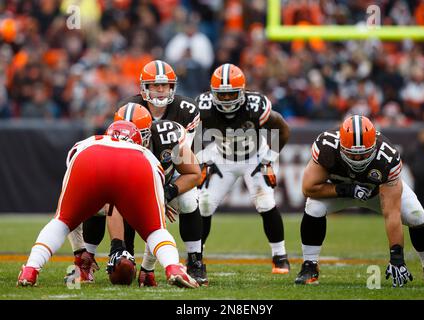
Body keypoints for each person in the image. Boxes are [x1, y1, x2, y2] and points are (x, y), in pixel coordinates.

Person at [69, 60, 206, 286]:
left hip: (169, 172)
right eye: (154, 85)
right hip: (129, 173)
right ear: (144, 88)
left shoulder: (183, 115)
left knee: (190, 200)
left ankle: (194, 260)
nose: (160, 90)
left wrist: (166, 192)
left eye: (164, 85)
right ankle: (91, 258)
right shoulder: (127, 109)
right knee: (96, 203)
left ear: (173, 87)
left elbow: (187, 164)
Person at [17, 121, 198, 289]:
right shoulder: (147, 154)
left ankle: (31, 270)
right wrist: (148, 270)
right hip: (138, 164)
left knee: (62, 220)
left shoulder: (88, 141)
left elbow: (74, 205)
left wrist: (80, 249)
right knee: (155, 230)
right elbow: (155, 221)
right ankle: (173, 268)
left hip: (89, 157)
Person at [296, 115, 424, 287]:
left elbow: (392, 213)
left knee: (416, 216)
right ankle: (309, 266)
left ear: (374, 146)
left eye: (363, 154)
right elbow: (308, 188)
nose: (358, 159)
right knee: (313, 207)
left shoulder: (387, 158)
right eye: (352, 154)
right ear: (341, 147)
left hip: (377, 192)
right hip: (341, 191)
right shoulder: (327, 147)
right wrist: (348, 190)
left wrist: (396, 257)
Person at [195, 63, 291, 274]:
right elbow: (191, 135)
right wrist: (201, 159)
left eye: (231, 94)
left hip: (254, 158)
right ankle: (196, 258)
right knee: (204, 205)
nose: (227, 99)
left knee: (266, 202)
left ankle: (280, 256)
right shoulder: (203, 107)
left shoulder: (255, 106)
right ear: (212, 93)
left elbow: (282, 129)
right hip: (221, 157)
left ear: (242, 91)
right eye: (222, 95)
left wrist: (268, 159)